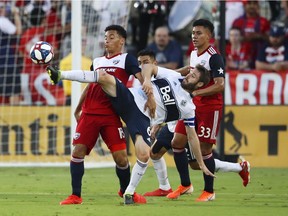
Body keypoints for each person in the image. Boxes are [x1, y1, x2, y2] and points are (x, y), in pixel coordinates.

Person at [46, 54, 215, 205]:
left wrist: (200, 163)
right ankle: (60, 74)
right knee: (104, 76)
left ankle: (129, 192)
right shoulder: (174, 76)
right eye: (190, 73)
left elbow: (192, 138)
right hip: (129, 98)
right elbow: (148, 66)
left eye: (193, 76)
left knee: (143, 153)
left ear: (199, 84)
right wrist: (147, 81)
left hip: (140, 119)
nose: (188, 76)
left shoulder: (189, 109)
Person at [139, 51, 250, 197]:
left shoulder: (180, 84)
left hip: (186, 121)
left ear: (155, 63)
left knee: (196, 164)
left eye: (145, 62)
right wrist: (158, 123)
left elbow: (178, 103)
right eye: (140, 63)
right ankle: (167, 187)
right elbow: (165, 104)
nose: (142, 66)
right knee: (155, 153)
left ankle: (236, 169)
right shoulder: (172, 75)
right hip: (173, 123)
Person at [56, 25, 144, 205]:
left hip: (111, 115)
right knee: (78, 151)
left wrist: (149, 96)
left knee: (120, 157)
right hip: (89, 113)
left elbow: (141, 78)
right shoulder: (96, 61)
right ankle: (76, 195)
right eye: (105, 37)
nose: (107, 40)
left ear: (122, 41)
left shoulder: (127, 59)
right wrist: (78, 108)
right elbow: (90, 84)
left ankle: (126, 191)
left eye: (111, 37)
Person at [165, 19, 249, 202]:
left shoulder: (214, 57)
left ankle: (209, 191)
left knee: (204, 150)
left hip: (210, 107)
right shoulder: (194, 54)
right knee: (176, 142)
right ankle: (185, 185)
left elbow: (220, 85)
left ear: (209, 36)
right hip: (193, 105)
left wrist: (196, 92)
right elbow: (190, 74)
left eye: (199, 33)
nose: (194, 36)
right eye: (193, 33)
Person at [232, 0, 270, 68]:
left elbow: (269, 39)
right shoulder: (237, 21)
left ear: (258, 5)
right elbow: (232, 39)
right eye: (249, 3)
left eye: (254, 3)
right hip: (242, 59)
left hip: (259, 57)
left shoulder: (264, 21)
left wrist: (258, 36)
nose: (252, 6)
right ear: (244, 5)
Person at [0, 2, 22, 104]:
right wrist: (16, 14)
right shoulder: (2, 21)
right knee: (13, 89)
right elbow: (18, 31)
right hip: (5, 60)